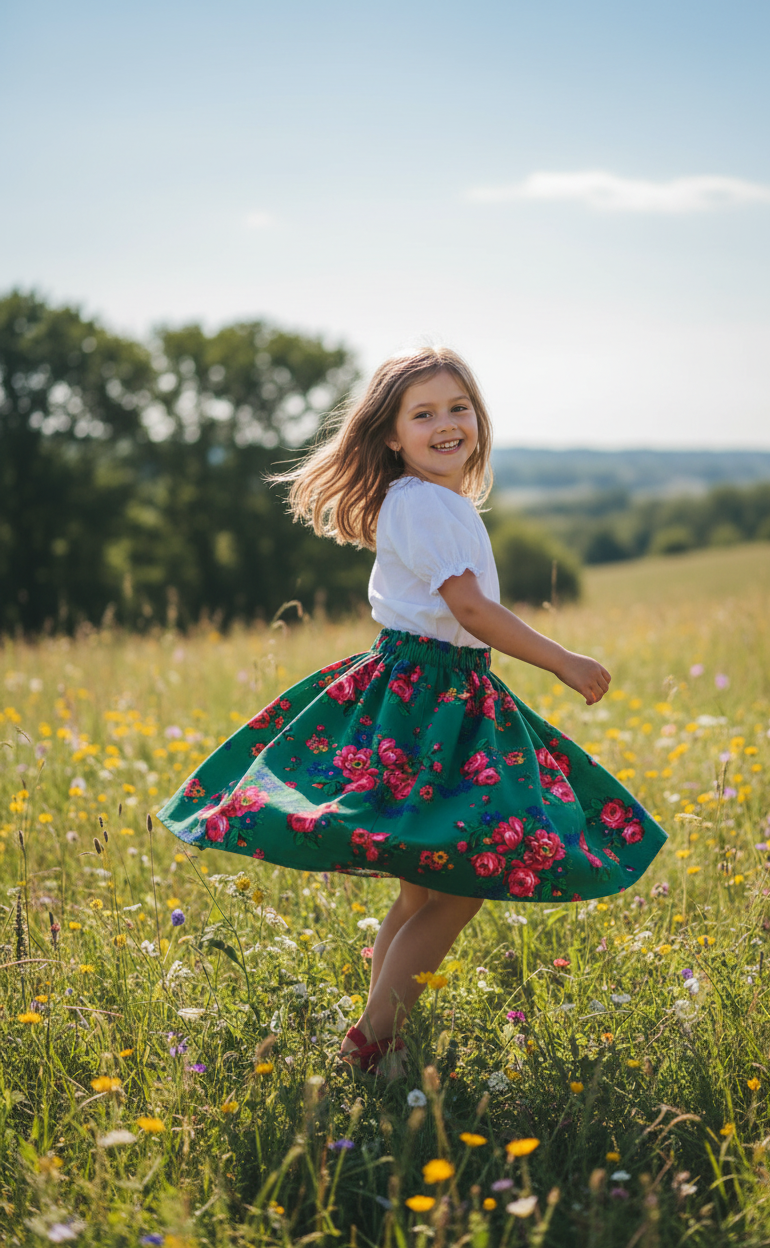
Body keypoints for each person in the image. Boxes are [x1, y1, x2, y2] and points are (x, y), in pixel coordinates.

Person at [157, 346, 667, 1074]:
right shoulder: (427, 504)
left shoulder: (422, 500)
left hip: (418, 693)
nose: (446, 423)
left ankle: (377, 1037)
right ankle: (372, 1042)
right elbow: (469, 609)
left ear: (478, 419)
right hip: (436, 699)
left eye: (458, 407)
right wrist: (562, 660)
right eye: (423, 413)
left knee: (426, 884)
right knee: (462, 884)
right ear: (393, 435)